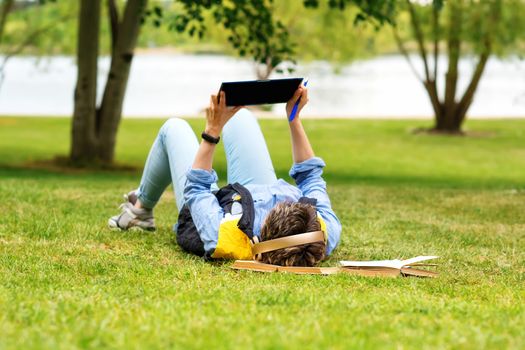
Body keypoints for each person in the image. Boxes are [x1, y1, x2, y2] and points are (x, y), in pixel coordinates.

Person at [108, 87, 341, 266]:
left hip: (221, 208)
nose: (284, 200)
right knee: (240, 116)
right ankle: (140, 202)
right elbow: (310, 177)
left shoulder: (223, 236)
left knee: (174, 128)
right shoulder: (324, 231)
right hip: (255, 189)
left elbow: (198, 188)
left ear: (263, 229)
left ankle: (140, 210)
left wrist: (212, 131)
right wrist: (294, 118)